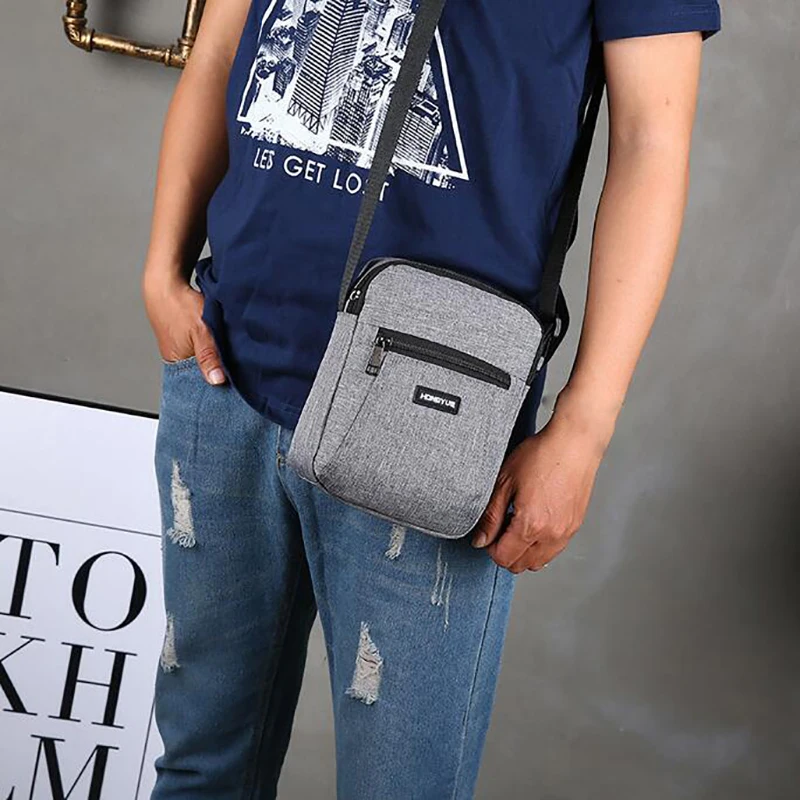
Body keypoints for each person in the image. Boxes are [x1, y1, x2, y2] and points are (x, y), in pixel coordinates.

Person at [142, 0, 721, 797]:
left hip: (434, 404)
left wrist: (585, 424)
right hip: (227, 363)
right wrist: (162, 269)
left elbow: (651, 141)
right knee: (199, 770)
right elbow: (221, 46)